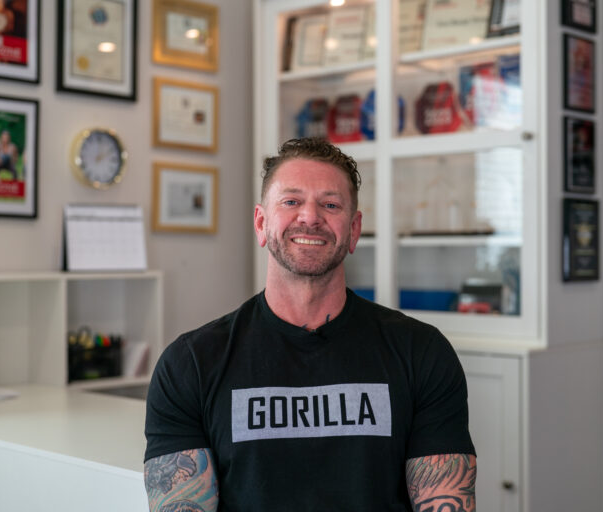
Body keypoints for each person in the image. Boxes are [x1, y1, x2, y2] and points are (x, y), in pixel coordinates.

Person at [144, 137, 476, 512]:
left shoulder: (422, 352)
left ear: (353, 230)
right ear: (261, 222)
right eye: (291, 201)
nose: (310, 217)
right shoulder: (190, 364)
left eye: (330, 204)